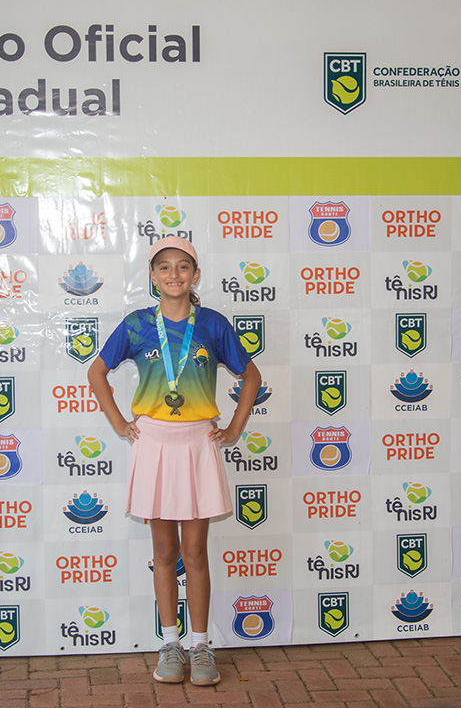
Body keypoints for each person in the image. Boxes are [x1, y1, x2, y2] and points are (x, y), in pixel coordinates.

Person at [87, 235, 261, 686]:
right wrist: (119, 422)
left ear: (196, 274)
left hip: (198, 443)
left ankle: (201, 646)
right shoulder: (137, 324)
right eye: (164, 267)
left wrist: (234, 428)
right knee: (164, 552)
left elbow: (251, 375)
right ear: (152, 276)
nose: (174, 274)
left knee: (195, 552)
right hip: (154, 445)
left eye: (183, 266)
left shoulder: (213, 324)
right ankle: (170, 643)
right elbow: (96, 371)